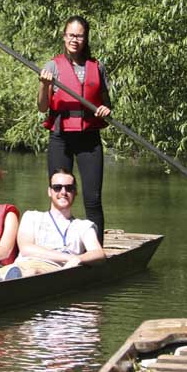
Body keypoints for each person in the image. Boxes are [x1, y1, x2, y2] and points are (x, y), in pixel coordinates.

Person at [37, 15, 112, 243]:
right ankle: (58, 244)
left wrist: (104, 109)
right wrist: (44, 84)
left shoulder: (97, 67)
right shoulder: (52, 66)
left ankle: (96, 249)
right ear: (64, 37)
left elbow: (107, 104)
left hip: (89, 138)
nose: (75, 40)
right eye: (71, 35)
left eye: (79, 35)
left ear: (85, 38)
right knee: (60, 193)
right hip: (61, 137)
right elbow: (42, 107)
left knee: (92, 198)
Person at [0, 169, 105, 279]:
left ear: (75, 192)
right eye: (57, 188)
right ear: (49, 191)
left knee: (32, 272)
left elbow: (98, 253)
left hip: (52, 270)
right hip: (21, 265)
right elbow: (26, 249)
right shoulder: (31, 216)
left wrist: (78, 259)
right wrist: (69, 257)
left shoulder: (83, 226)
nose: (63, 192)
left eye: (69, 188)